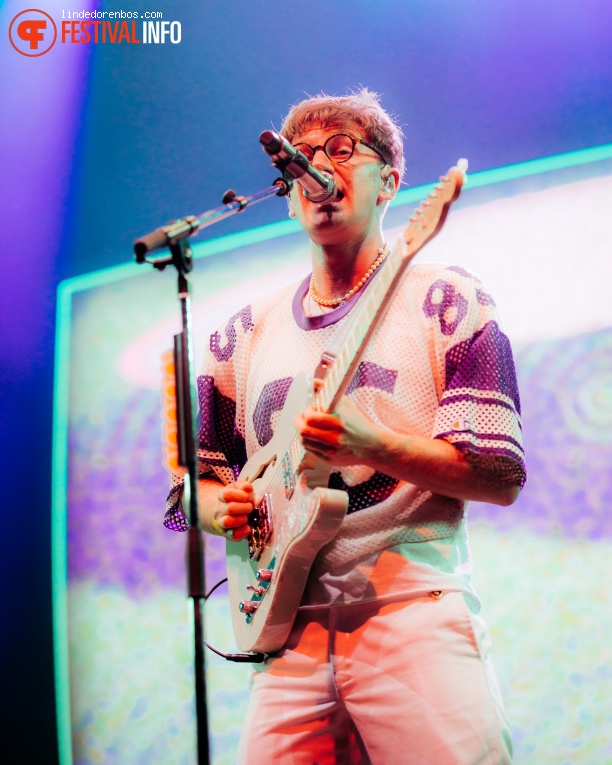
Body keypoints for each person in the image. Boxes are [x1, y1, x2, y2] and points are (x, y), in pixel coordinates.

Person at [165, 88, 525, 764]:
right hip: (282, 630)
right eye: (303, 159)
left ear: (390, 182)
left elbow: (501, 473)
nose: (319, 170)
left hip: (412, 612)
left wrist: (378, 446)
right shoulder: (239, 335)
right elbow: (187, 497)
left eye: (341, 150)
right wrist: (223, 507)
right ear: (290, 193)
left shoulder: (449, 299)